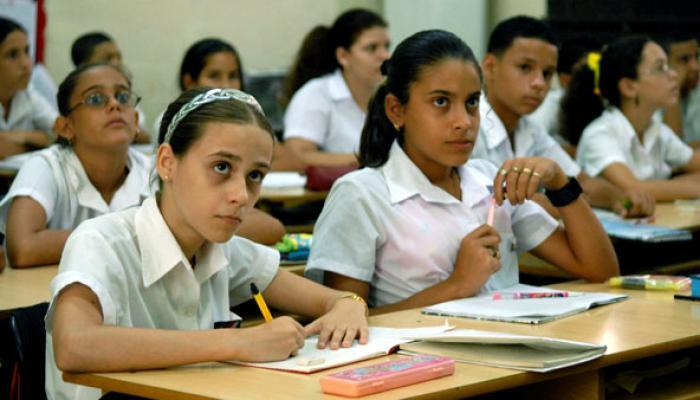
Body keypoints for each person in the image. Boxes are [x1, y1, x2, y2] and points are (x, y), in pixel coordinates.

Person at [46, 87, 369, 400]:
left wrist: (351, 303)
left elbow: (337, 300)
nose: (241, 195)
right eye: (221, 167)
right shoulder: (101, 242)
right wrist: (236, 343)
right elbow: (74, 345)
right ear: (166, 162)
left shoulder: (221, 249)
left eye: (255, 175)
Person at [304, 30, 618, 314]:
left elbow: (600, 269)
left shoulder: (489, 182)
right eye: (441, 102)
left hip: (510, 357)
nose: (464, 122)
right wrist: (457, 285)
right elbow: (341, 324)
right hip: (428, 370)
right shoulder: (362, 194)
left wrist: (561, 183)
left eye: (471, 103)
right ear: (396, 110)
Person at [472, 16, 654, 218]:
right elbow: (493, 201)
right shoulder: (467, 125)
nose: (539, 83)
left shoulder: (530, 128)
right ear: (489, 67)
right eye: (525, 67)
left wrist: (619, 197)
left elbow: (580, 182)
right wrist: (567, 201)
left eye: (548, 73)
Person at [0, 63, 152, 268]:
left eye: (123, 97)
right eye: (95, 99)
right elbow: (23, 248)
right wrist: (131, 236)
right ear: (65, 127)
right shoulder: (46, 166)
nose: (115, 104)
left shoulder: (154, 172)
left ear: (135, 121)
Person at [572, 36, 700, 201]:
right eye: (661, 68)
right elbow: (633, 188)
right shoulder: (599, 134)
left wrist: (676, 186)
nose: (674, 74)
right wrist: (689, 185)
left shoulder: (658, 130)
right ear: (629, 87)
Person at [160, 37, 303, 173]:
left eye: (233, 76)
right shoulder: (174, 122)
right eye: (214, 76)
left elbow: (292, 161)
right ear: (189, 82)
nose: (226, 85)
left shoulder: (249, 120)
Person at [282, 8, 390, 166]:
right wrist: (371, 161)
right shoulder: (315, 94)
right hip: (329, 190)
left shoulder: (389, 95)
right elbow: (296, 158)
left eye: (386, 46)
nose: (385, 56)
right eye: (372, 48)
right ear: (343, 56)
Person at [71, 31, 151, 143]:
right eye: (107, 59)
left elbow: (143, 136)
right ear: (83, 66)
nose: (116, 64)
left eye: (119, 57)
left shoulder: (126, 97)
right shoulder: (73, 101)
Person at [529, 36, 600, 156]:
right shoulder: (550, 103)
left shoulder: (605, 102)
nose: (596, 80)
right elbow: (531, 142)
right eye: (587, 74)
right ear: (565, 80)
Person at [0, 16, 57, 159]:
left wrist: (20, 136)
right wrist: (37, 141)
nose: (26, 63)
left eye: (27, 51)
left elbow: (63, 132)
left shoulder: (27, 94)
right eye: (12, 55)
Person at [657, 32, 700, 147]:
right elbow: (672, 154)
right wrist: (674, 88)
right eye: (684, 60)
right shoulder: (648, 98)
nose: (696, 67)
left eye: (697, 57)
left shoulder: (697, 91)